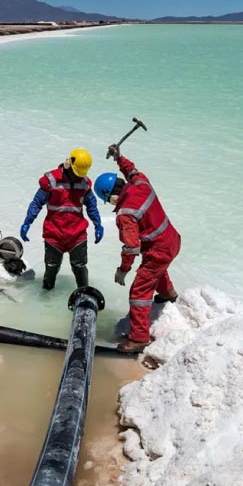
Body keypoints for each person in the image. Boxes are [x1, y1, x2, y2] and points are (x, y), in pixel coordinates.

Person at [94, 144, 180, 352]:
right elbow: (132, 171)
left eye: (107, 199)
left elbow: (132, 247)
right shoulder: (141, 184)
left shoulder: (125, 214)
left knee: (139, 292)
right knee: (154, 269)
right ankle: (168, 294)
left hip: (159, 250)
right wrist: (119, 158)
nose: (110, 203)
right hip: (172, 240)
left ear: (109, 194)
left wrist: (123, 270)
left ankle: (139, 338)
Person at [20, 148, 104, 290]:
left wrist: (98, 224)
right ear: (68, 163)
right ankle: (46, 300)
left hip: (77, 234)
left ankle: (85, 295)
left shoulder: (84, 183)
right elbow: (37, 203)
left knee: (80, 268)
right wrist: (27, 222)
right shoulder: (51, 181)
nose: (77, 176)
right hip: (54, 234)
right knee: (51, 268)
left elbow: (91, 205)